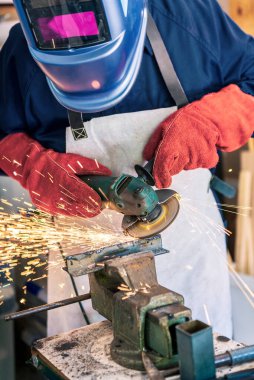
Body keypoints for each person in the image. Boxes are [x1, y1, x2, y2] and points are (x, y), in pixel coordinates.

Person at [0, 0, 254, 338]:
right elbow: (4, 138)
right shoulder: (24, 44)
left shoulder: (188, 16)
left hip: (190, 260)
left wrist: (212, 123)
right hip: (83, 268)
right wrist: (38, 169)